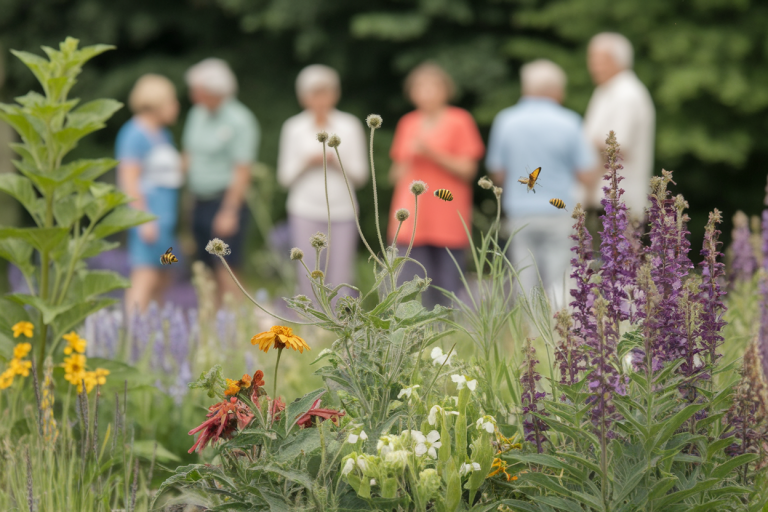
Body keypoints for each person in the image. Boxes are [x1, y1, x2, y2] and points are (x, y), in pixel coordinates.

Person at [486, 59, 597, 300]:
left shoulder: (505, 121)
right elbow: (587, 173)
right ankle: (560, 334)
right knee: (560, 281)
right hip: (560, 210)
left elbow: (498, 173)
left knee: (525, 281)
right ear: (555, 90)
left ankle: (530, 335)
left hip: (520, 211)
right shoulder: (570, 121)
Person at [388, 62, 485, 309]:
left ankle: (451, 339)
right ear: (412, 93)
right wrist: (410, 156)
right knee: (411, 287)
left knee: (449, 286)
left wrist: (432, 153)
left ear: (446, 90)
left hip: (448, 217)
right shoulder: (407, 123)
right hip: (412, 220)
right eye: (421, 87)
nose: (427, 93)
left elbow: (468, 170)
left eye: (433, 87)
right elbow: (394, 174)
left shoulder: (460, 120)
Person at [277, 64, 368, 300]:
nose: (319, 98)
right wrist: (308, 162)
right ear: (303, 96)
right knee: (308, 273)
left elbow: (361, 176)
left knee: (341, 276)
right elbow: (284, 177)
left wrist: (335, 160)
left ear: (335, 93)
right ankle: (311, 327)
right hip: (304, 209)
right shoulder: (293, 127)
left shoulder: (350, 125)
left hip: (343, 211)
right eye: (313, 92)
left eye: (324, 91)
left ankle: (342, 326)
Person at [183, 58, 260, 304]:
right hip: (198, 199)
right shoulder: (197, 114)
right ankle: (216, 329)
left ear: (214, 91)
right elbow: (188, 155)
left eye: (197, 91)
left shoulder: (240, 120)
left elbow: (242, 170)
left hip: (224, 201)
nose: (193, 97)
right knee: (204, 270)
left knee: (227, 268)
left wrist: (229, 211)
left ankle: (245, 323)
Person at [117, 74, 183, 315]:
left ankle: (156, 335)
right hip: (149, 223)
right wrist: (143, 220)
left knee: (163, 275)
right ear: (156, 103)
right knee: (144, 275)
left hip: (166, 222)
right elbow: (129, 181)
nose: (176, 106)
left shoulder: (162, 134)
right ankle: (131, 335)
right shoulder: (134, 133)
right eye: (171, 101)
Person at [582, 32, 655, 216]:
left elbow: (618, 148)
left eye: (599, 61)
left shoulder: (626, 94)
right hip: (605, 199)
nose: (593, 67)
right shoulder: (606, 90)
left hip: (619, 201)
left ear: (618, 61)